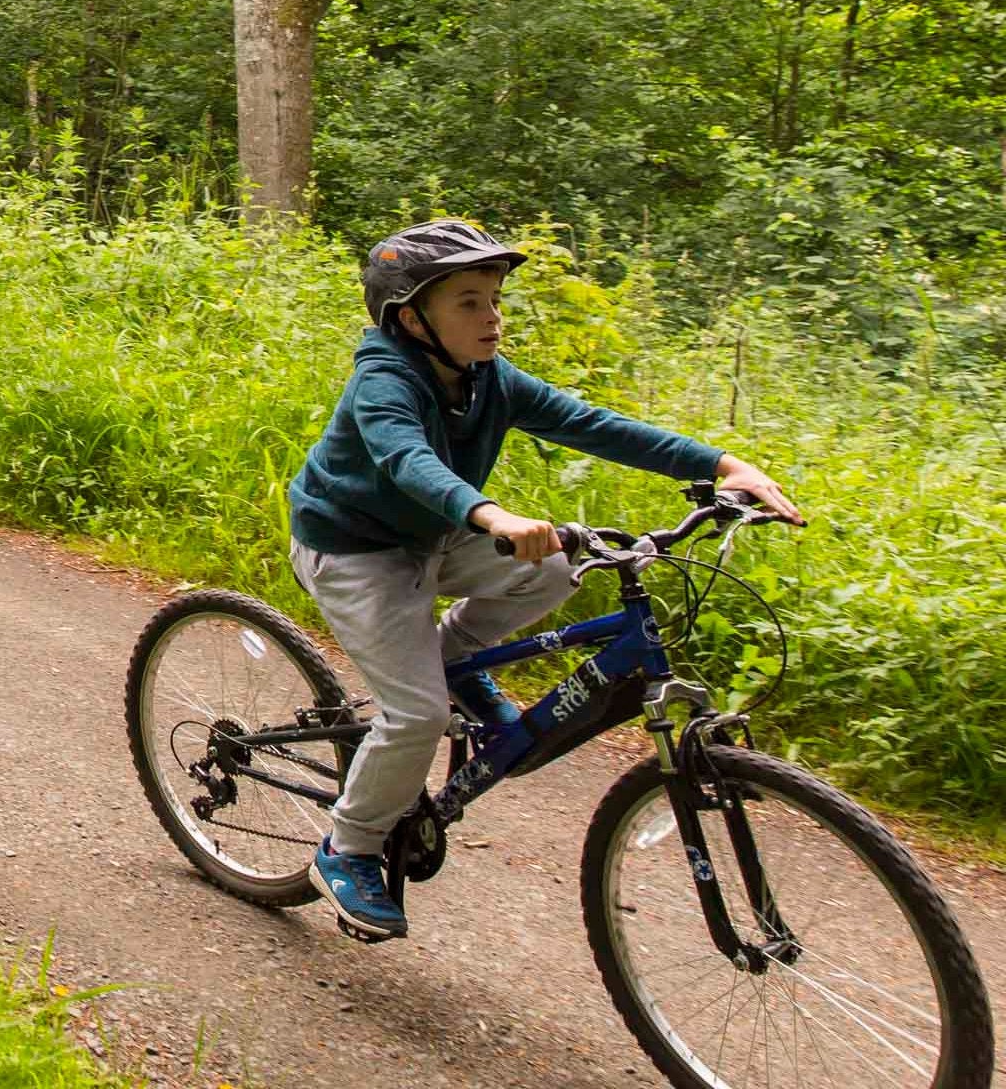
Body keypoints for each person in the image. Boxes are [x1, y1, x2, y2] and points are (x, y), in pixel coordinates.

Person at [286, 218, 802, 943]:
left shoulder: (487, 380)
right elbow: (405, 458)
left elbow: (587, 423)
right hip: (357, 552)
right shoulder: (384, 380)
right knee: (418, 716)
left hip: (440, 533)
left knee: (557, 566)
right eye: (468, 302)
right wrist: (488, 513)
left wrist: (720, 466)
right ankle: (348, 846)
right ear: (412, 319)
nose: (492, 317)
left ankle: (455, 659)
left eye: (495, 299)